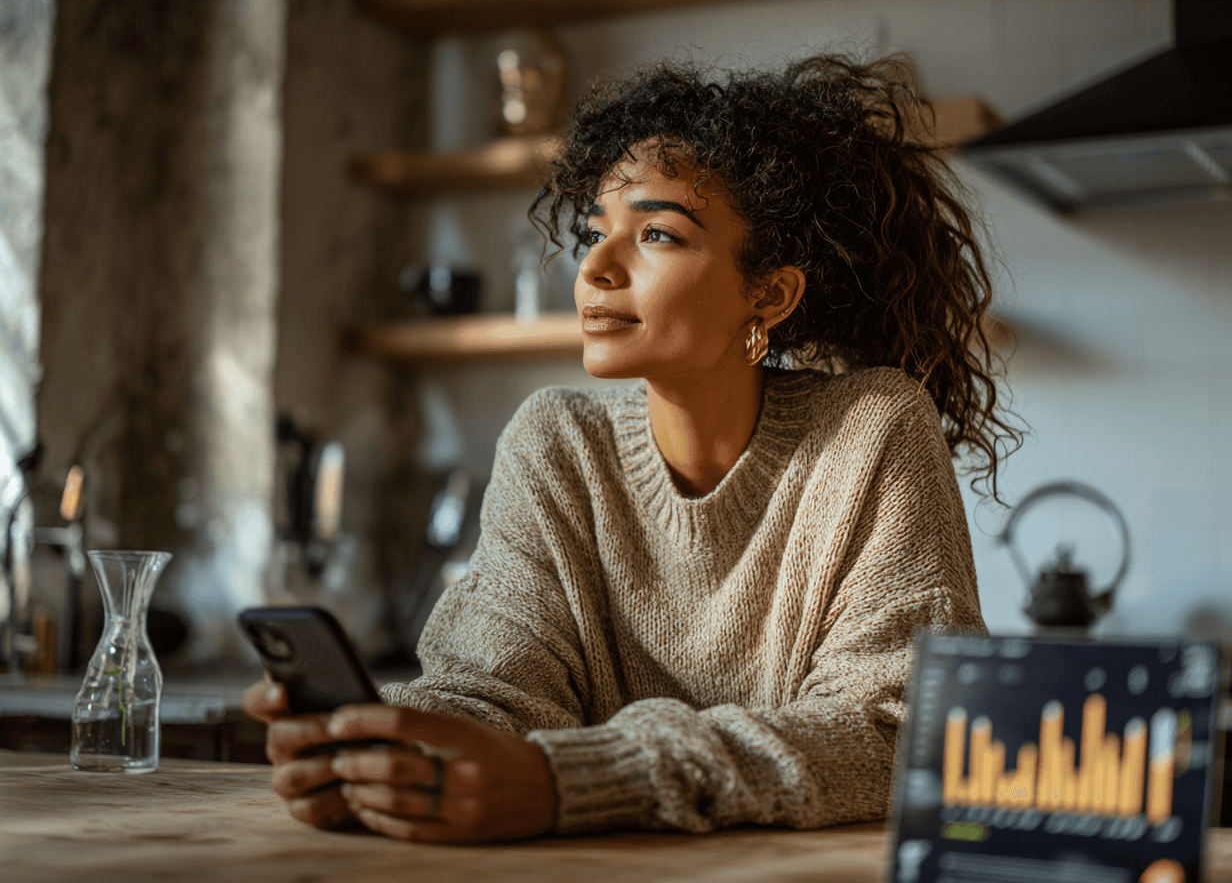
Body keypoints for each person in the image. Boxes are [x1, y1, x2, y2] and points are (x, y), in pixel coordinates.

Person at [243, 54, 1018, 844]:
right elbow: (492, 695)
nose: (596, 268)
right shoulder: (557, 444)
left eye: (656, 233)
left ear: (769, 294)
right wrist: (390, 751)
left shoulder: (873, 431)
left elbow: (901, 734)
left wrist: (570, 783)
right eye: (592, 231)